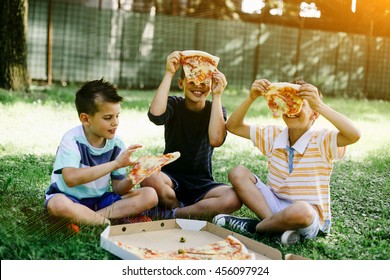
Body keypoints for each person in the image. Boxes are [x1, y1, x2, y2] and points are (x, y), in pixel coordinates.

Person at [213, 78, 361, 245]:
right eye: (287, 103)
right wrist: (251, 97)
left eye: (299, 104)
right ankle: (274, 226)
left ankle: (256, 228)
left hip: (307, 217)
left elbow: (354, 135)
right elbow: (233, 126)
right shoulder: (274, 135)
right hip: (274, 206)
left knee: (301, 210)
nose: (291, 108)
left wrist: (319, 104)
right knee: (238, 172)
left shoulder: (322, 139)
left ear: (315, 114)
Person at [140, 51, 242, 220]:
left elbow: (216, 140)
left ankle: (174, 213)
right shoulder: (174, 104)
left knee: (234, 198)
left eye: (204, 82)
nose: (198, 86)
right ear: (181, 83)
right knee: (149, 177)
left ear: (211, 85)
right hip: (170, 178)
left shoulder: (215, 110)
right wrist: (169, 73)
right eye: (192, 81)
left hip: (202, 183)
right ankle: (186, 210)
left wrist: (217, 95)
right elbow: (156, 116)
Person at [45, 78, 158, 226]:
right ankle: (104, 222)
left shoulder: (117, 144)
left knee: (150, 195)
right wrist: (115, 164)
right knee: (57, 205)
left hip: (100, 202)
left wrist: (137, 175)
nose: (115, 122)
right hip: (69, 198)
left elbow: (118, 189)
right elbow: (70, 178)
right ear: (86, 119)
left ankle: (90, 219)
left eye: (117, 115)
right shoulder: (72, 139)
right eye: (108, 117)